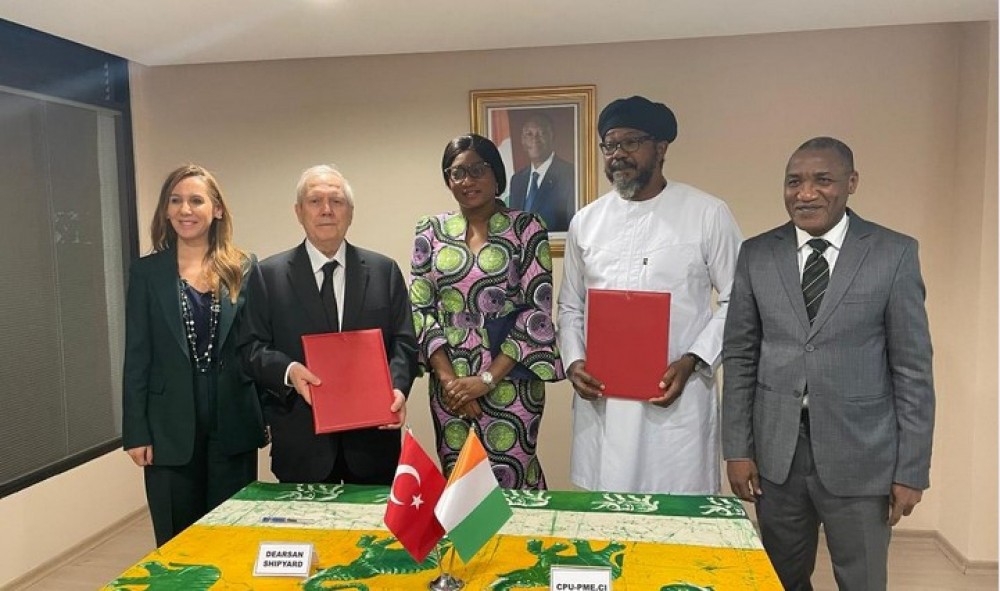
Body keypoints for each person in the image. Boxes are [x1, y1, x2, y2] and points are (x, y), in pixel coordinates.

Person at [722, 137, 935, 590]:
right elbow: (740, 356)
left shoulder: (893, 253)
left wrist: (911, 469)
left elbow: (913, 370)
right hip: (778, 456)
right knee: (781, 579)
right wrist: (738, 449)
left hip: (863, 455)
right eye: (794, 182)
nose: (806, 193)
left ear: (851, 183)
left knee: (862, 580)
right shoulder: (757, 254)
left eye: (823, 180)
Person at [557, 95, 743, 494]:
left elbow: (738, 300)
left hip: (675, 399)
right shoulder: (586, 222)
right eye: (609, 144)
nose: (617, 154)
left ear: (661, 148)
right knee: (609, 514)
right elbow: (570, 305)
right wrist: (574, 362)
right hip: (603, 401)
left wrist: (694, 360)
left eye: (630, 142)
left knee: (678, 516)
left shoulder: (707, 213)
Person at [238, 165, 417, 484]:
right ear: (299, 211)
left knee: (373, 519)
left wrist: (398, 389)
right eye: (315, 201)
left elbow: (404, 343)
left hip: (373, 441)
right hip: (302, 442)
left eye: (336, 201)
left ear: (350, 212)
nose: (326, 210)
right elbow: (251, 347)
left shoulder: (384, 271)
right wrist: (289, 370)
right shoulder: (267, 275)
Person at [410, 133, 564, 489]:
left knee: (513, 475)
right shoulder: (429, 231)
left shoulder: (527, 228)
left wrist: (486, 380)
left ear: (496, 175)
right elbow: (420, 308)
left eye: (478, 170)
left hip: (510, 376)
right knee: (460, 481)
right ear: (448, 180)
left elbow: (536, 311)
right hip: (448, 378)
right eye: (457, 173)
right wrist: (450, 383)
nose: (468, 180)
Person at [122, 164, 265, 546]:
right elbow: (137, 356)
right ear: (166, 211)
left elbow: (256, 348)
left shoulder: (244, 267)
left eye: (196, 200)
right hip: (168, 427)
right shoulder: (147, 273)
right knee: (177, 543)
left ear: (216, 209)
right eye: (176, 201)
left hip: (232, 422)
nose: (185, 209)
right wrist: (136, 431)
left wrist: (267, 415)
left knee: (232, 539)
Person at [507, 113, 576, 232]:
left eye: (542, 133)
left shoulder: (570, 175)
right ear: (523, 141)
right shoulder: (517, 180)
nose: (535, 139)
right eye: (529, 134)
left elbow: (572, 226)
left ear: (552, 137)